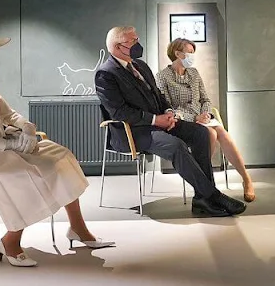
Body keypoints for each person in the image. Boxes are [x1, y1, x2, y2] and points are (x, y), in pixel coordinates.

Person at [0, 32, 114, 268]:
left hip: (5, 143)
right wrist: (9, 144)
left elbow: (9, 114)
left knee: (60, 157)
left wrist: (26, 127)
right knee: (22, 176)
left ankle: (78, 228)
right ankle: (11, 241)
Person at [94, 26, 246, 217]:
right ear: (118, 47)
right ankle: (212, 196)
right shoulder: (106, 74)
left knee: (201, 133)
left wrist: (167, 113)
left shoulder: (140, 66)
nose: (137, 44)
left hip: (158, 124)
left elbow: (158, 96)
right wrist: (156, 120)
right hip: (133, 132)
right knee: (175, 146)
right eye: (133, 41)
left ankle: (201, 198)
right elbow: (119, 112)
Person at [156, 38, 255, 202]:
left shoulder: (194, 73)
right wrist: (194, 118)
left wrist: (206, 114)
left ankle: (246, 179)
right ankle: (205, 185)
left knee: (221, 132)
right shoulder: (162, 77)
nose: (192, 56)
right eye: (190, 52)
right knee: (210, 134)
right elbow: (167, 109)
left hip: (203, 117)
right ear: (177, 53)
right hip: (182, 121)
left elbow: (205, 100)